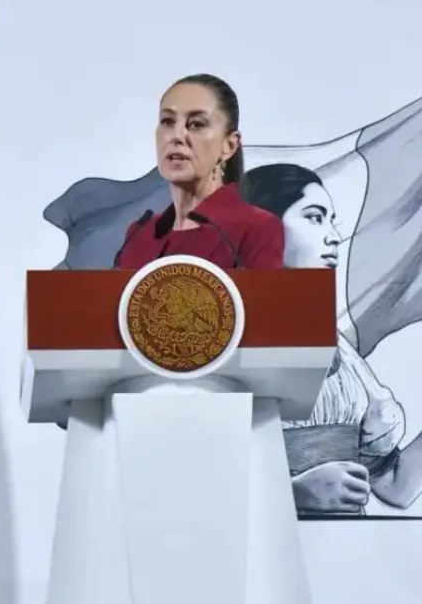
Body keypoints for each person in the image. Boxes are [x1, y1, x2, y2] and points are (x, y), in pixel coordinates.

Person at [247, 163, 422, 515]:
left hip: (345, 542)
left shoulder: (335, 343)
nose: (333, 236)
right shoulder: (220, 334)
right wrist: (293, 492)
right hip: (265, 539)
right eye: (314, 218)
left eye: (331, 220)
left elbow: (396, 486)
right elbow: (183, 472)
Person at [115, 74, 285, 269]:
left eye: (196, 124)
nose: (176, 136)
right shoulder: (139, 233)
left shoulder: (256, 227)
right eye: (168, 121)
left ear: (229, 145)